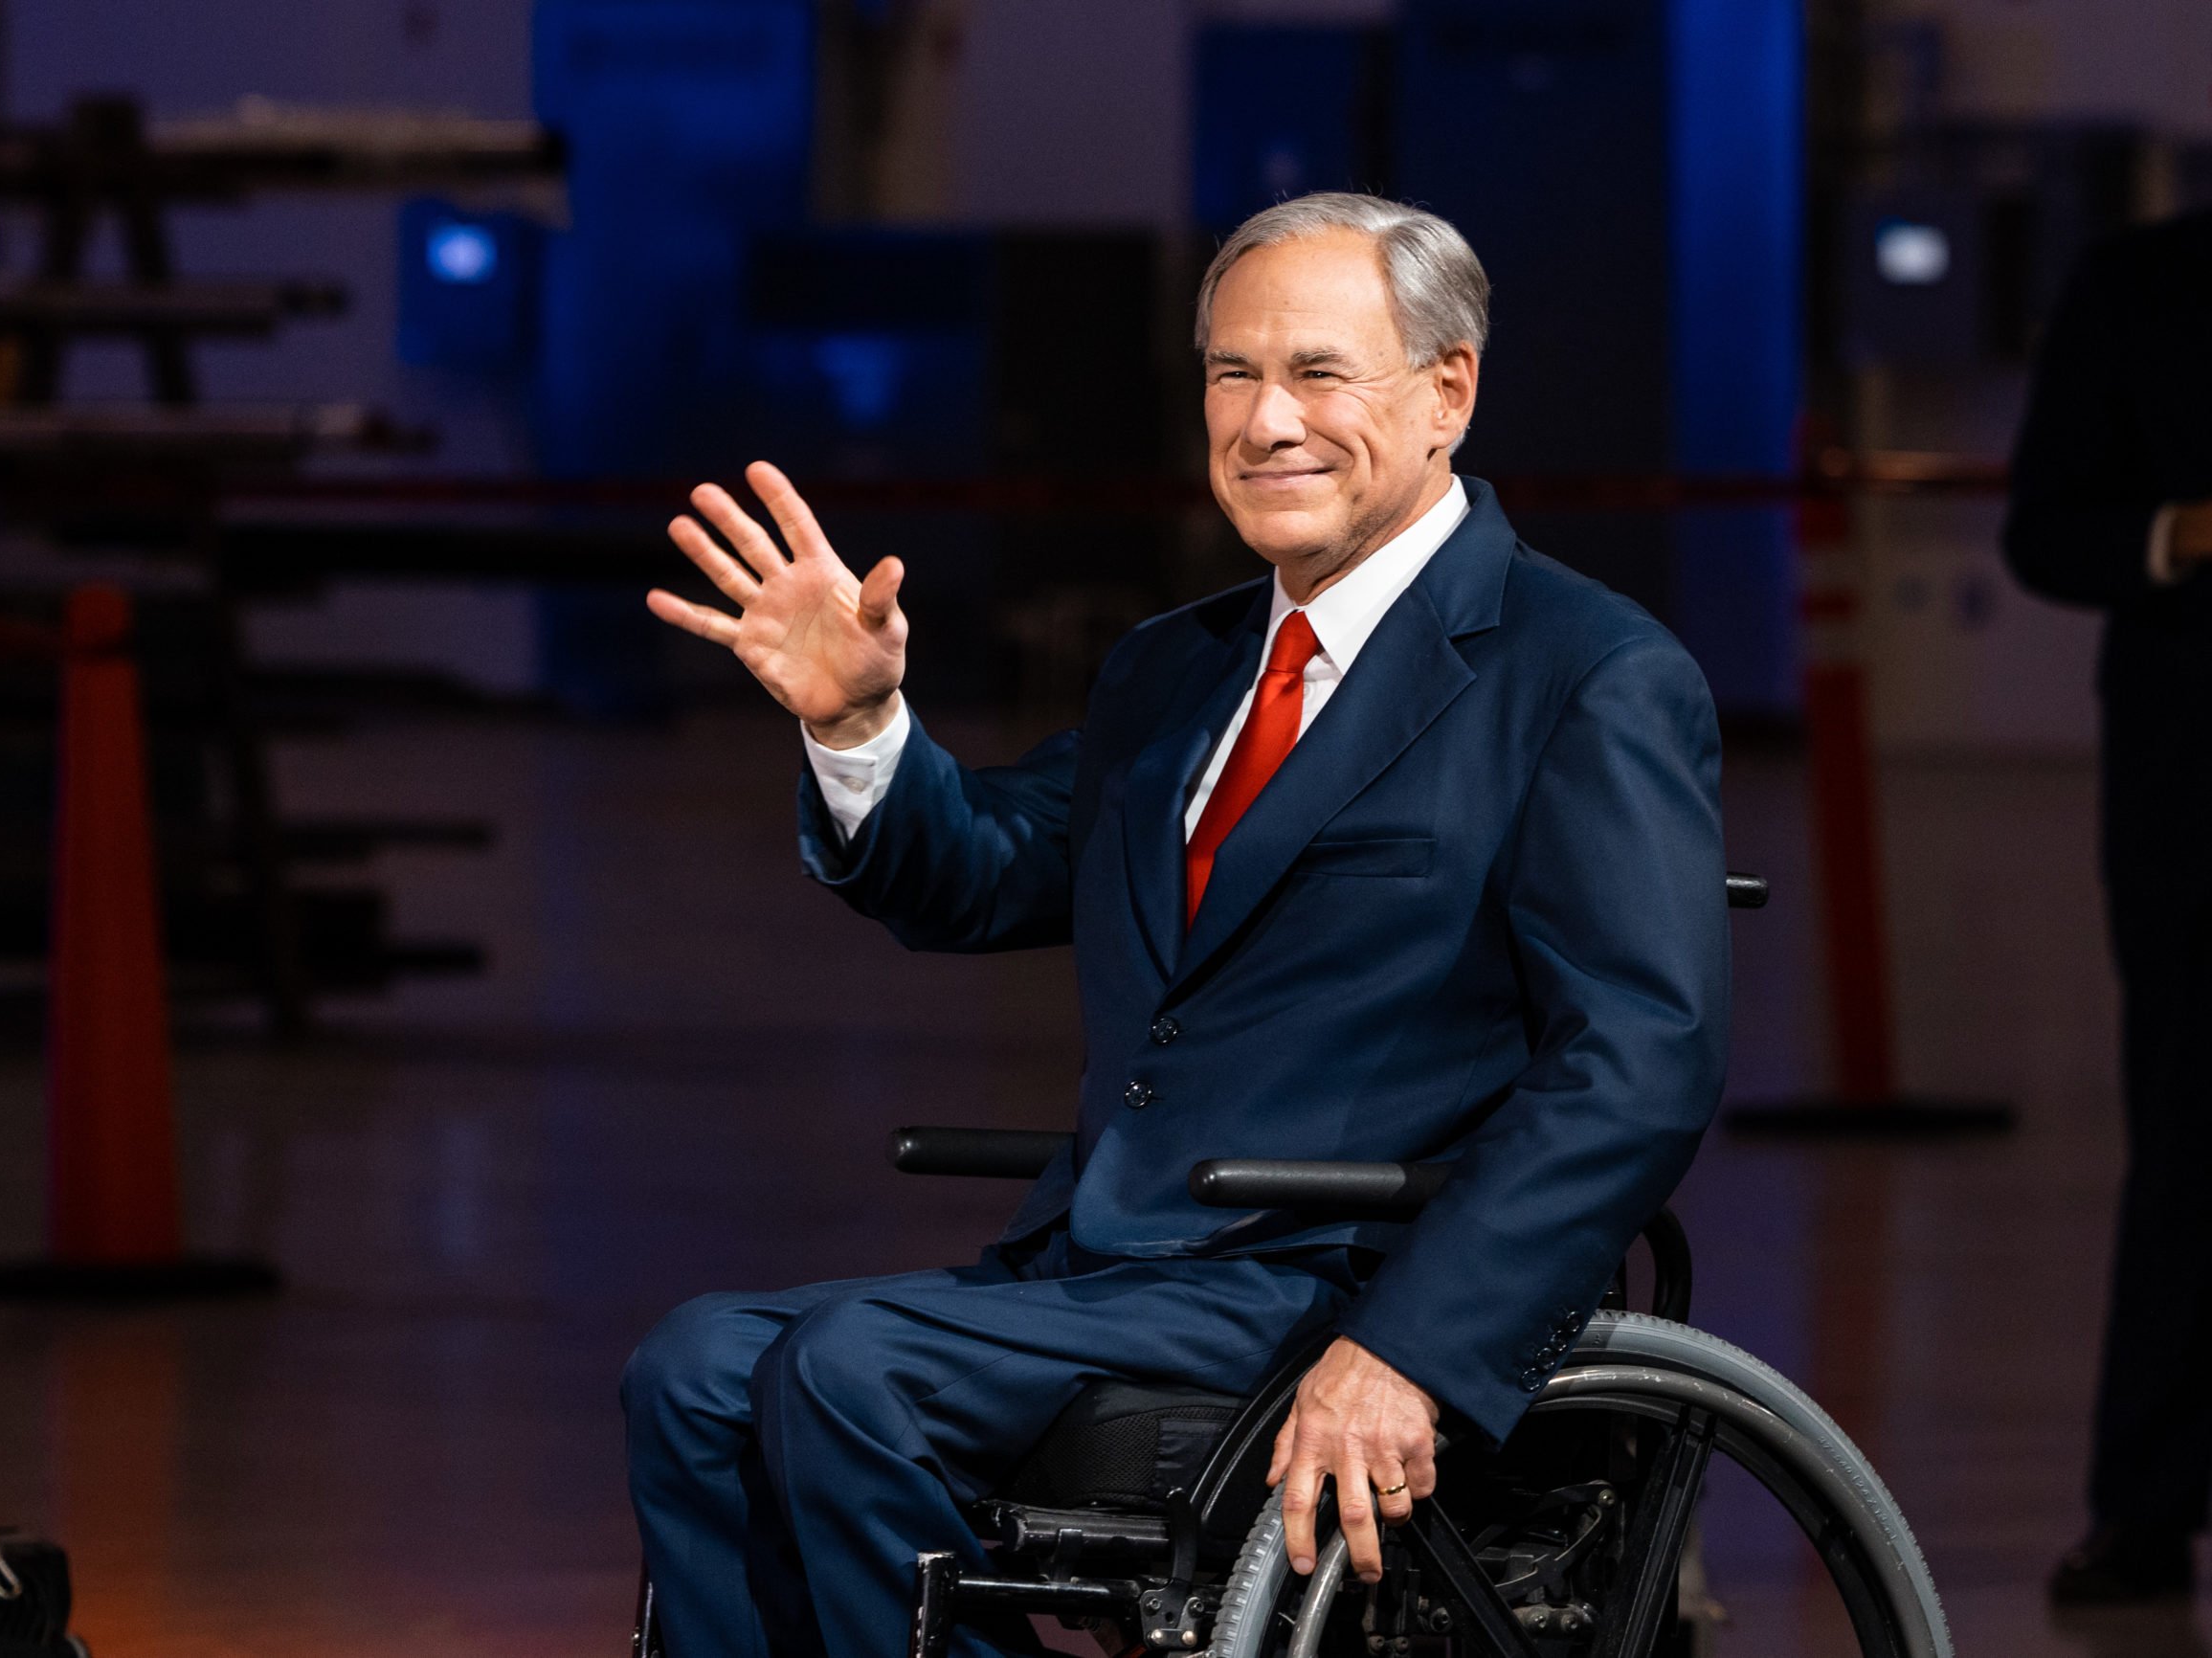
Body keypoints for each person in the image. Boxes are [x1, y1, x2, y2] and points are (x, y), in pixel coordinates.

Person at [626, 192, 1731, 1658]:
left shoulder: (1582, 674)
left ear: (1447, 390)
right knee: (692, 1367)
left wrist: (1412, 1344)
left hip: (1339, 1272)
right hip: (1120, 1268)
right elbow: (984, 872)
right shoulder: (1178, 667)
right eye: (1231, 375)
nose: (1266, 421)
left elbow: (1640, 1063)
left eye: (1320, 374)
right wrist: (861, 722)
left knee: (848, 1373)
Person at [2004, 210, 2212, 1607]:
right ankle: (2144, 1509)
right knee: (2192, 1148)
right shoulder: (2145, 281)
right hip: (2198, 796)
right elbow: (2044, 528)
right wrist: (2181, 530)